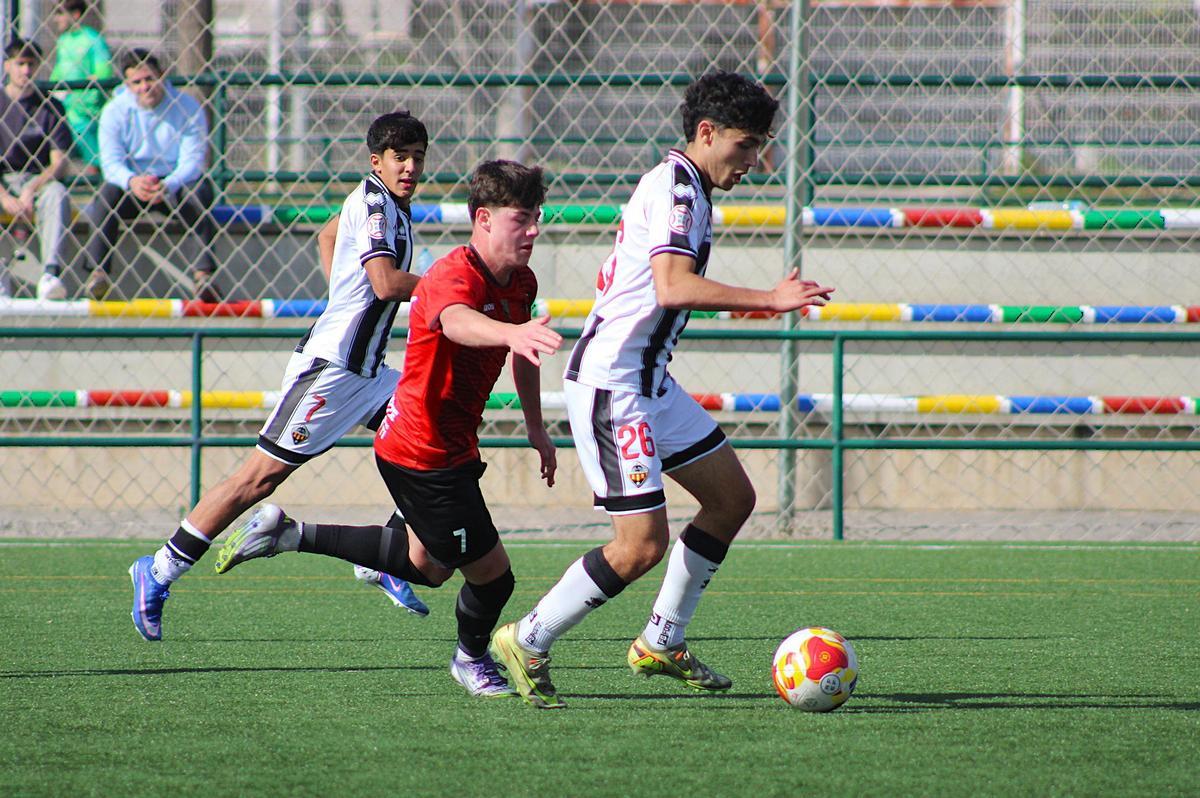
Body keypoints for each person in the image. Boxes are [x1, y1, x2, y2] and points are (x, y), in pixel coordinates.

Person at [490, 71, 835, 710]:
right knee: (640, 546)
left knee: (731, 498)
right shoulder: (678, 188)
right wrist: (770, 299)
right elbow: (673, 286)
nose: (755, 161)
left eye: (761, 146)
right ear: (706, 133)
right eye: (746, 145)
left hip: (648, 382)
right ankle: (528, 638)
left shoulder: (689, 188)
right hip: (613, 385)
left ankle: (661, 639)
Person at [212, 159, 562, 700]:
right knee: (495, 577)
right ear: (484, 219)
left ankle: (288, 534)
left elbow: (524, 351)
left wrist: (536, 427)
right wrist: (509, 332)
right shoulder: (452, 274)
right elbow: (456, 321)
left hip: (444, 445)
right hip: (423, 452)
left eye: (537, 217)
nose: (534, 230)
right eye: (522, 219)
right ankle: (471, 662)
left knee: (426, 564)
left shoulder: (522, 282)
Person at [128, 110, 432, 643]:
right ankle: (156, 571)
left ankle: (383, 558)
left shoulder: (384, 203)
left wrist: (343, 296)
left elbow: (328, 235)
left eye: (417, 158)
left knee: (436, 436)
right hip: (334, 371)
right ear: (376, 161)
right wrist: (446, 287)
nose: (409, 167)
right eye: (399, 158)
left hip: (367, 373)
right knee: (257, 479)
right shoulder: (380, 204)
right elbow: (384, 284)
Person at [83, 49, 218, 301]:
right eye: (137, 82)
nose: (145, 87)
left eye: (150, 79)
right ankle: (98, 274)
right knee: (106, 194)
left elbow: (193, 160)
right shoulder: (114, 110)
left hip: (174, 184)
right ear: (127, 84)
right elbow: (110, 162)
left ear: (163, 76)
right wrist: (132, 181)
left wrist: (169, 184)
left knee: (200, 191)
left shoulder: (187, 106)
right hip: (132, 184)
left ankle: (203, 278)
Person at [0, 39, 73, 300]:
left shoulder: (50, 107)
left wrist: (32, 189)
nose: (26, 71)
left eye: (31, 64)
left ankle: (50, 274)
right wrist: (5, 196)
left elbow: (59, 162)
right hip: (3, 181)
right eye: (20, 64)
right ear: (8, 66)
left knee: (58, 194)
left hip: (37, 180)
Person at [49, 0, 114, 174]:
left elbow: (103, 71)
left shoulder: (92, 38)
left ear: (75, 14)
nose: (56, 19)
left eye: (61, 13)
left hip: (86, 109)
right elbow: (58, 71)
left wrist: (86, 96)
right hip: (66, 107)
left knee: (93, 156)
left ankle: (99, 184)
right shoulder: (63, 41)